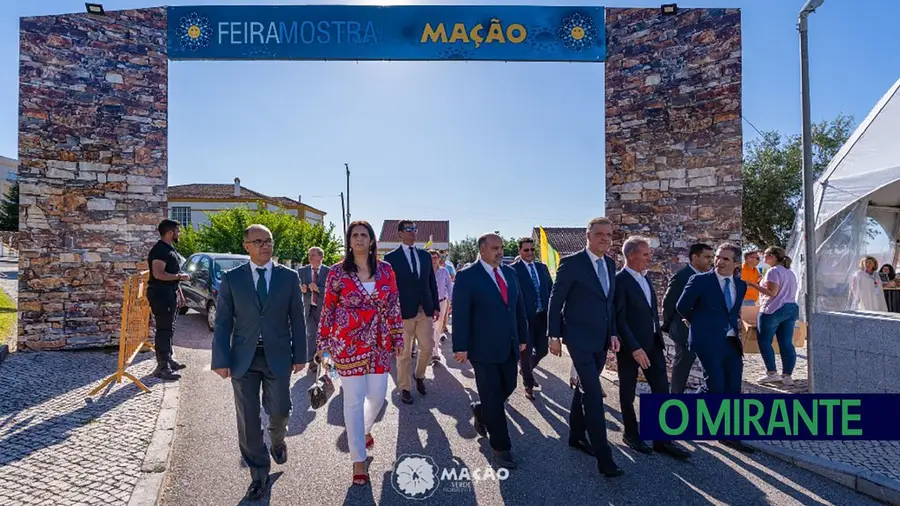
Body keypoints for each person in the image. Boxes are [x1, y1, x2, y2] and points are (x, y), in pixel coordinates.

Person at [210, 224, 308, 501]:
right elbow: (223, 322)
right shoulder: (232, 279)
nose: (266, 245)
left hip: (278, 356)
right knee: (248, 418)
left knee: (280, 411)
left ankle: (277, 440)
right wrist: (220, 359)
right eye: (259, 241)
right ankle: (259, 473)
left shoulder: (288, 278)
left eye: (269, 241)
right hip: (244, 358)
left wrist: (300, 355)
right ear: (247, 247)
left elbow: (297, 320)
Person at [317, 221, 403, 486]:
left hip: (379, 342)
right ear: (349, 239)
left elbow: (393, 304)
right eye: (354, 235)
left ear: (372, 240)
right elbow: (328, 307)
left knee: (377, 397)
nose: (359, 239)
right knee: (353, 399)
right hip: (347, 342)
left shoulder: (386, 270)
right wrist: (322, 340)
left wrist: (398, 335)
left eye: (364, 235)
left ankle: (363, 430)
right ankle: (358, 460)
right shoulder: (337, 272)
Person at [548, 217, 623, 478]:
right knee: (593, 393)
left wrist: (613, 332)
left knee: (583, 389)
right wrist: (554, 335)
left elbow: (609, 303)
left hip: (601, 340)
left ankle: (576, 436)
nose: (605, 238)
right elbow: (555, 301)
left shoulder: (611, 264)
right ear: (587, 235)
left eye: (609, 234)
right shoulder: (571, 263)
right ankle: (605, 458)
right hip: (577, 339)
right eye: (599, 233)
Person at [451, 233, 528, 469]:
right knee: (493, 393)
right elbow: (461, 312)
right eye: (495, 248)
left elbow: (518, 308)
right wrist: (460, 346)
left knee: (509, 386)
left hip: (509, 344)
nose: (499, 252)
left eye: (502, 248)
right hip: (481, 347)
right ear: (482, 249)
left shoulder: (510, 273)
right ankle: (500, 446)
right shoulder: (467, 276)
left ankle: (481, 410)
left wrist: (523, 337)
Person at [614, 236, 690, 459]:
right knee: (627, 392)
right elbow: (620, 319)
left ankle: (662, 440)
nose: (650, 258)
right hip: (630, 349)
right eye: (646, 254)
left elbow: (649, 313)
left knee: (661, 391)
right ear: (631, 255)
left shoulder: (645, 279)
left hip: (652, 345)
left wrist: (659, 339)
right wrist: (634, 348)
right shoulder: (620, 281)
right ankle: (631, 433)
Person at [676, 243, 753, 453]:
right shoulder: (700, 280)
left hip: (730, 342)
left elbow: (733, 312)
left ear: (736, 263)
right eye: (717, 257)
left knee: (733, 388)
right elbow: (682, 307)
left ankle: (729, 435)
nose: (718, 262)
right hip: (707, 341)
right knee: (716, 385)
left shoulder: (741, 285)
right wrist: (698, 324)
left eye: (725, 259)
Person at [384, 220, 440, 404]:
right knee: (404, 353)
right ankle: (405, 387)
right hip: (402, 311)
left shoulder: (424, 256)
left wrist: (436, 306)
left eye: (414, 229)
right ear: (399, 234)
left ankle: (419, 375)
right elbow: (389, 288)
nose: (413, 232)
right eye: (408, 229)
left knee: (428, 346)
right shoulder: (391, 258)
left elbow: (431, 281)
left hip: (425, 309)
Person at [661, 243, 714, 394]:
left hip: (703, 330)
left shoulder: (707, 277)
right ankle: (675, 399)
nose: (710, 261)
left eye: (712, 257)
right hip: (685, 331)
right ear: (695, 257)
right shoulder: (682, 277)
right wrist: (670, 325)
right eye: (707, 257)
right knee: (682, 365)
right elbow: (669, 303)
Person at [744, 247, 799, 386]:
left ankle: (772, 373)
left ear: (773, 256)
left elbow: (772, 292)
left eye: (765, 254)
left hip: (773, 309)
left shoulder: (773, 271)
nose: (763, 257)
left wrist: (752, 285)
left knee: (764, 341)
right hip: (790, 308)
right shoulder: (790, 272)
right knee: (786, 342)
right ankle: (787, 376)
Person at [146, 219, 191, 381]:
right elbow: (158, 274)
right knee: (163, 330)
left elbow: (171, 273)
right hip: (160, 295)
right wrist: (180, 277)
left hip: (169, 293)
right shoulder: (160, 250)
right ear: (170, 233)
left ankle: (168, 359)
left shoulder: (168, 249)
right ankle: (162, 367)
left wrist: (179, 292)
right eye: (178, 231)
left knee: (169, 329)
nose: (179, 234)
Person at [510, 237, 552, 400]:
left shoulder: (542, 268)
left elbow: (550, 289)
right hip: (525, 318)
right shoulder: (513, 270)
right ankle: (528, 384)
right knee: (525, 352)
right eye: (526, 250)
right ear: (519, 251)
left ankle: (526, 369)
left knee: (543, 350)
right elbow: (513, 296)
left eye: (532, 249)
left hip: (542, 316)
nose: (529, 253)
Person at [299, 246, 330, 373]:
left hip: (324, 310)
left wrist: (319, 289)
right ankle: (313, 362)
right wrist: (302, 289)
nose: (310, 257)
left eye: (313, 255)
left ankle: (327, 363)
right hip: (309, 307)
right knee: (311, 335)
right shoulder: (302, 271)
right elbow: (297, 286)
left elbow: (334, 290)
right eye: (309, 254)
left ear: (321, 257)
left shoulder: (329, 271)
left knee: (325, 337)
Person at [429, 249, 453, 365]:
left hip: (442, 302)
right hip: (428, 304)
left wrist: (452, 301)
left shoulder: (444, 272)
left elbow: (449, 285)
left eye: (435, 257)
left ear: (439, 259)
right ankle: (430, 350)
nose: (434, 260)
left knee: (438, 327)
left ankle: (435, 353)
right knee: (429, 328)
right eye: (431, 258)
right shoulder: (426, 272)